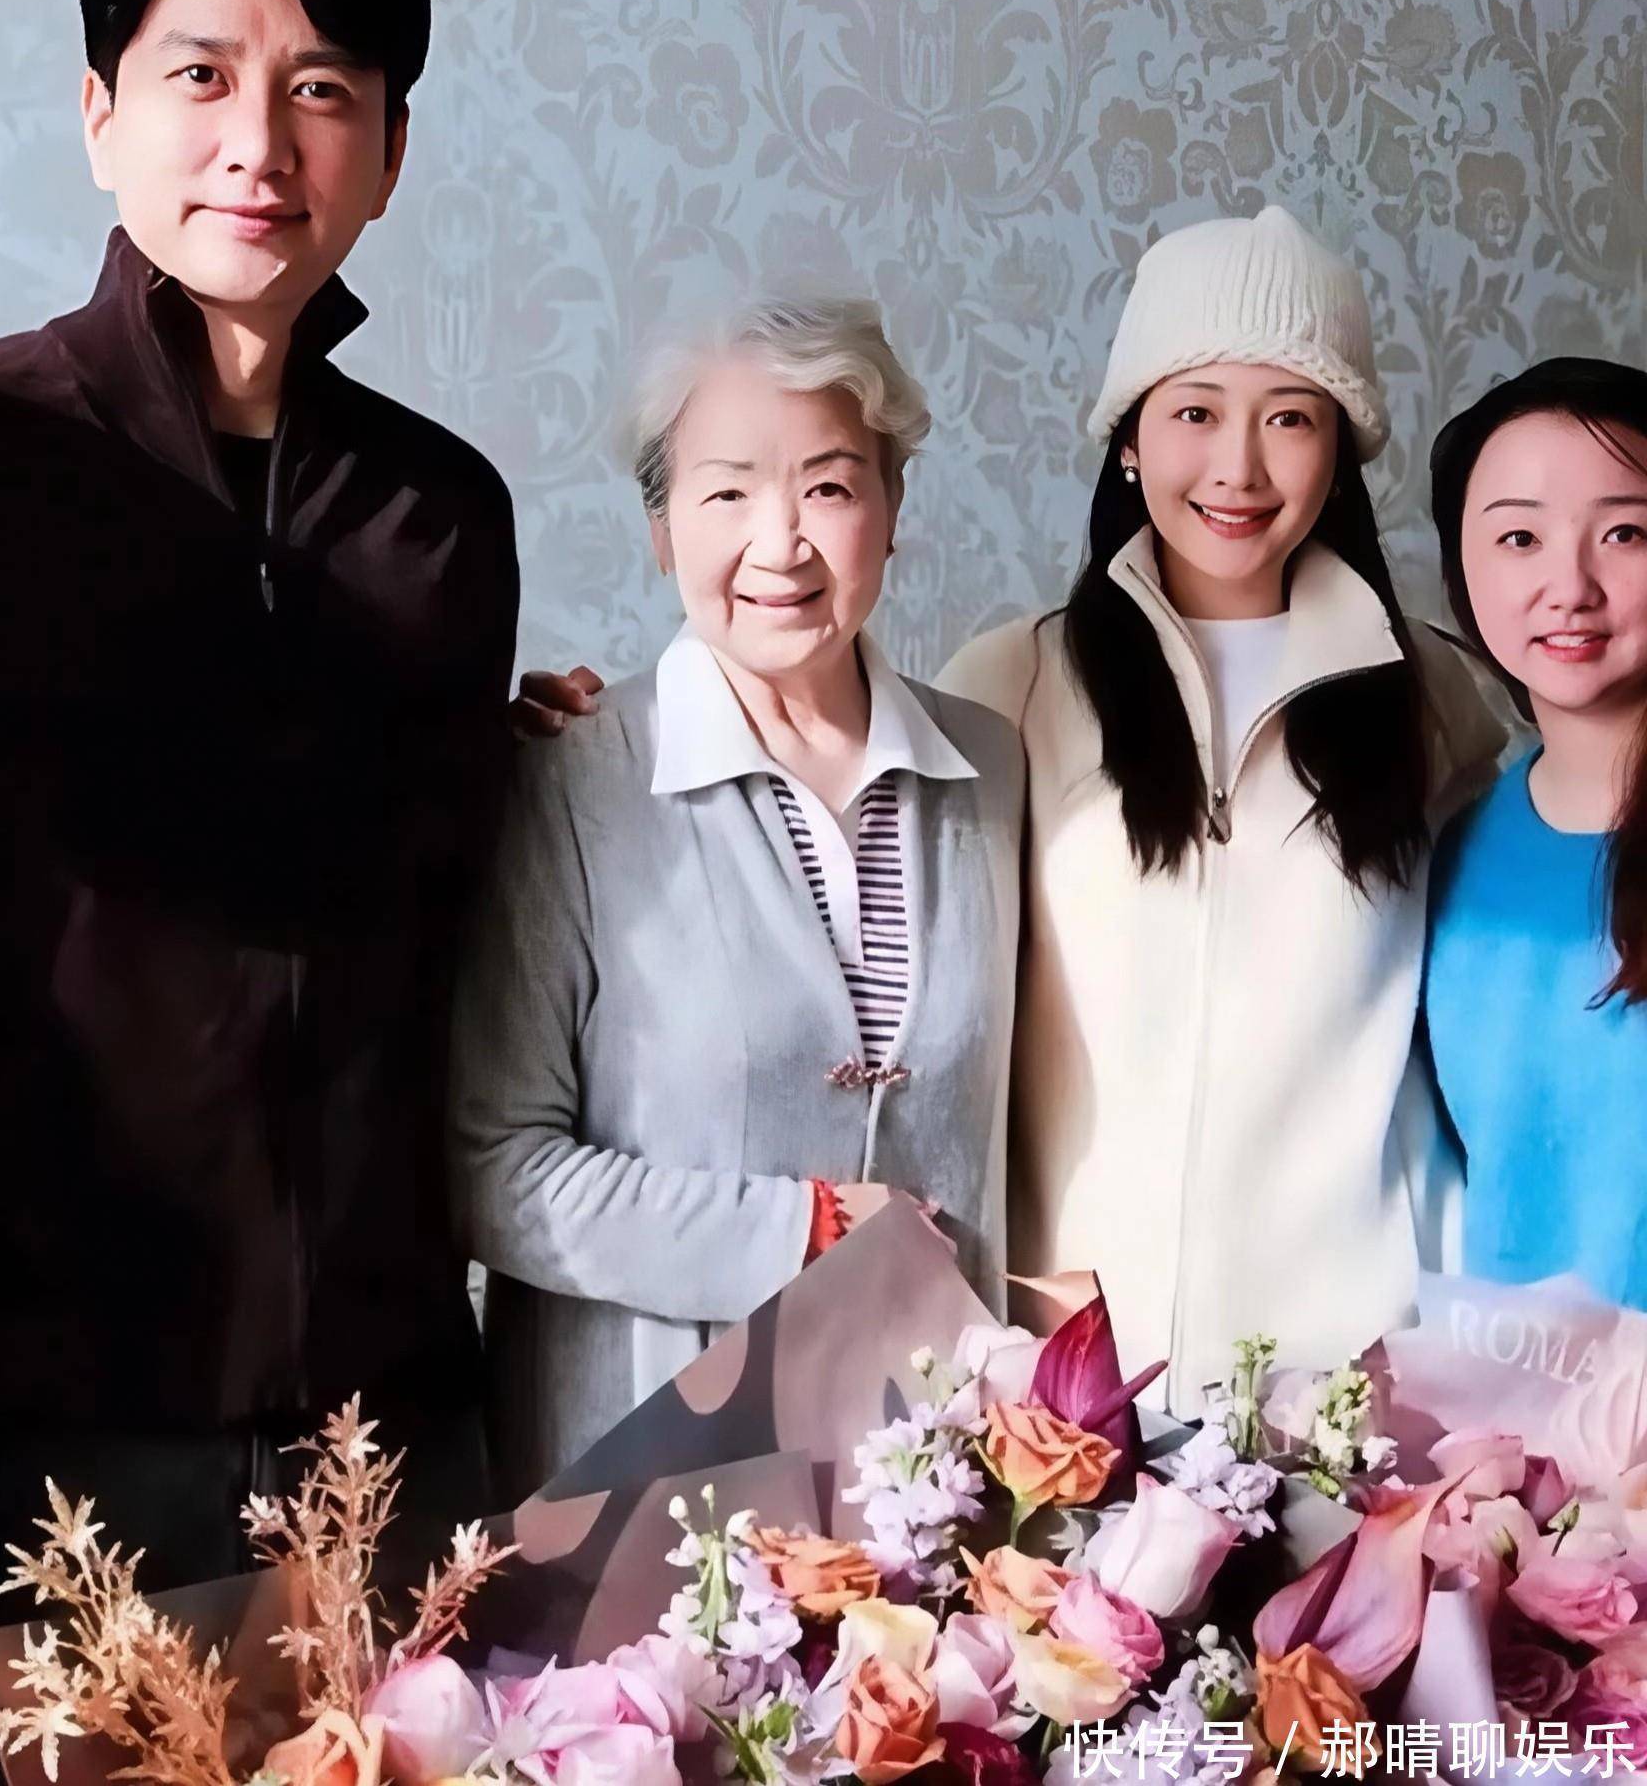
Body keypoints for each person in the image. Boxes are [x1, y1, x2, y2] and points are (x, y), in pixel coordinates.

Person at [0, 0, 517, 1777]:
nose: (260, 140)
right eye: (200, 75)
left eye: (323, 87)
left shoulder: (440, 517)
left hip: (381, 1434)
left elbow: (449, 928)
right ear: (99, 114)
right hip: (39, 1445)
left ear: (391, 151)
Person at [519, 210, 1504, 1412]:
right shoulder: (1013, 691)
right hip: (1065, 1388)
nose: (1238, 467)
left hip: (1346, 1377)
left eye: (1290, 417)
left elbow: (1476, 1027)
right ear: (1129, 438)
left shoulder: (1435, 699)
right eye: (1194, 411)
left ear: (1342, 448)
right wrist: (578, 739)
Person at [453, 298, 1021, 1499]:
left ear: (891, 509)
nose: (781, 542)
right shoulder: (569, 772)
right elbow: (493, 1167)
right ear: (660, 530)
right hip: (647, 1486)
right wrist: (799, 1232)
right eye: (726, 493)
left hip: (929, 1486)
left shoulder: (995, 768)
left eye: (829, 487)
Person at [1422, 357, 1647, 1300]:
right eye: (1520, 537)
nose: (1571, 586)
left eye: (1626, 532)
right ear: (1463, 570)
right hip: (1506, 1391)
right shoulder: (1449, 853)